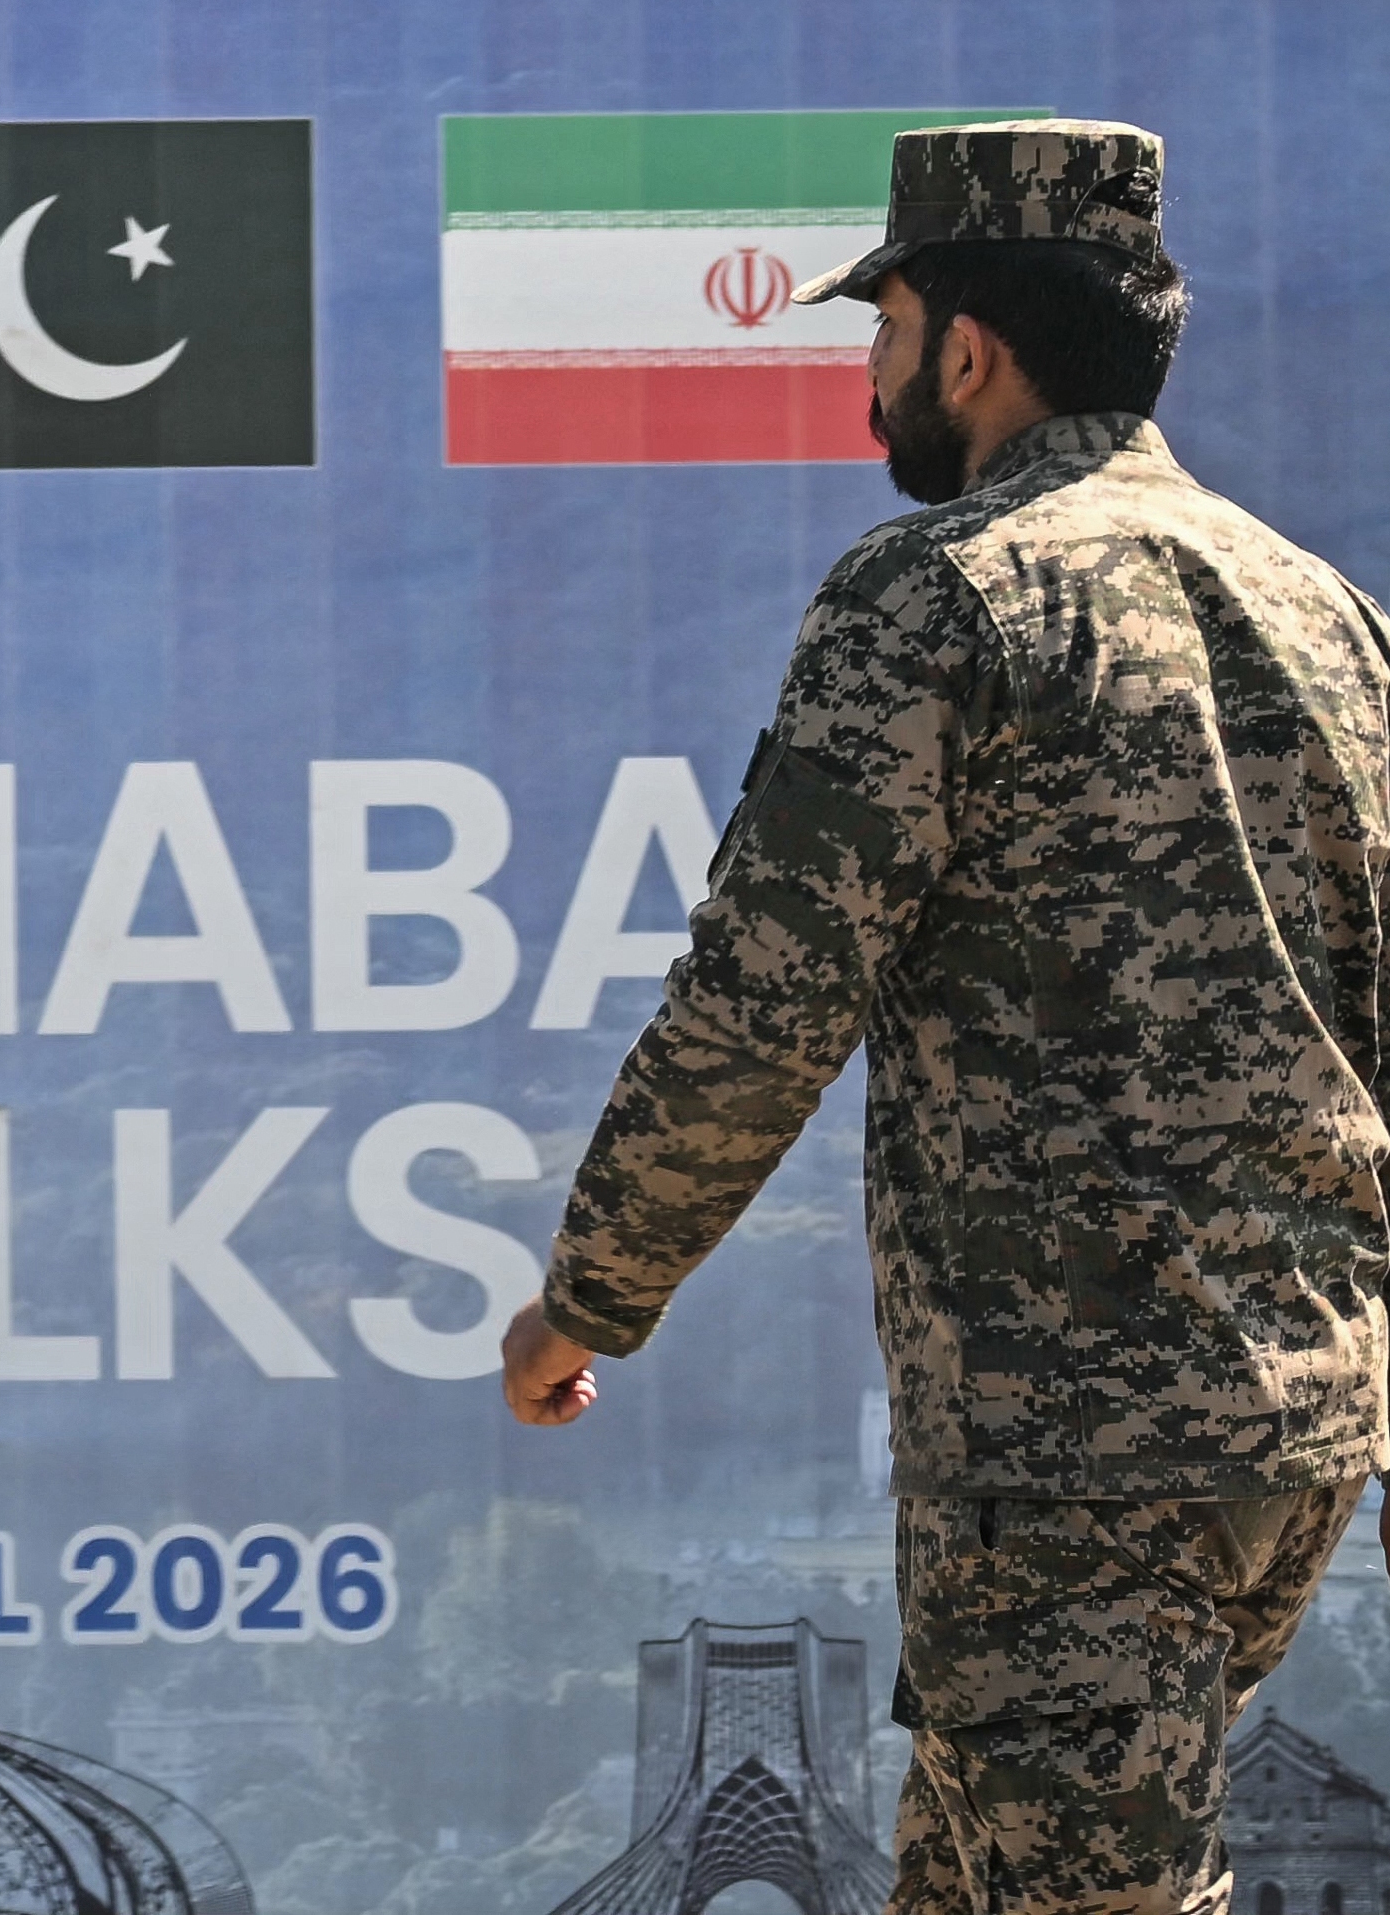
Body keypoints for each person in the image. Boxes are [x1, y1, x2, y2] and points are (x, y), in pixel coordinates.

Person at [498, 120, 1390, 1914]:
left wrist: (586, 1295)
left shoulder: (939, 597)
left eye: (882, 330)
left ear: (965, 350)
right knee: (971, 1878)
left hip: (1064, 1451)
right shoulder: (1331, 620)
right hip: (1293, 1428)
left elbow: (758, 1004)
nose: (868, 377)